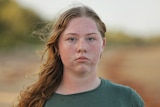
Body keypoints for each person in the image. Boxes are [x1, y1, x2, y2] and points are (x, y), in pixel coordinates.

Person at [16, 4, 144, 107]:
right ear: (57, 46)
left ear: (102, 45)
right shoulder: (36, 102)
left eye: (90, 39)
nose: (81, 47)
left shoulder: (127, 99)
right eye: (72, 39)